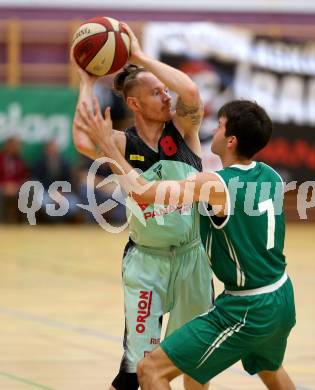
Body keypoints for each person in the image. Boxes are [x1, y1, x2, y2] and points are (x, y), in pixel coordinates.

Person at [76, 98, 296, 389]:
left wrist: (108, 146)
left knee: (150, 370)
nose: (212, 130)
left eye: (218, 126)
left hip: (247, 307)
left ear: (231, 140)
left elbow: (141, 192)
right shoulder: (271, 175)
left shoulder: (216, 185)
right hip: (281, 297)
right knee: (264, 369)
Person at [72, 23, 213, 390]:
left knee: (195, 366)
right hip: (146, 262)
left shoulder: (183, 130)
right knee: (139, 368)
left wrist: (137, 55)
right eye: (155, 93)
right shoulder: (119, 141)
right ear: (133, 103)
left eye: (164, 91)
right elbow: (81, 136)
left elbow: (191, 91)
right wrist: (87, 82)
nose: (167, 97)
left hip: (192, 259)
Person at [0, 137, 28, 223]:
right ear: (7, 146)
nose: (16, 148)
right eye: (14, 145)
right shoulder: (1, 158)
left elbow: (23, 177)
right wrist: (4, 186)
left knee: (27, 192)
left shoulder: (19, 160)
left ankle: (25, 223)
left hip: (16, 187)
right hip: (2, 186)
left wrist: (17, 186)